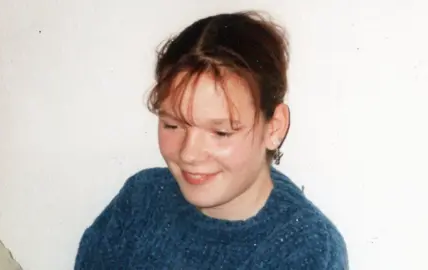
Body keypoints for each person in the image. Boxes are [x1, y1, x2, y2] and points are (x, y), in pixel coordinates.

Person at [75, 10, 348, 269]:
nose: (189, 154)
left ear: (274, 128)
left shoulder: (307, 248)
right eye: (172, 125)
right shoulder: (140, 200)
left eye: (221, 133)